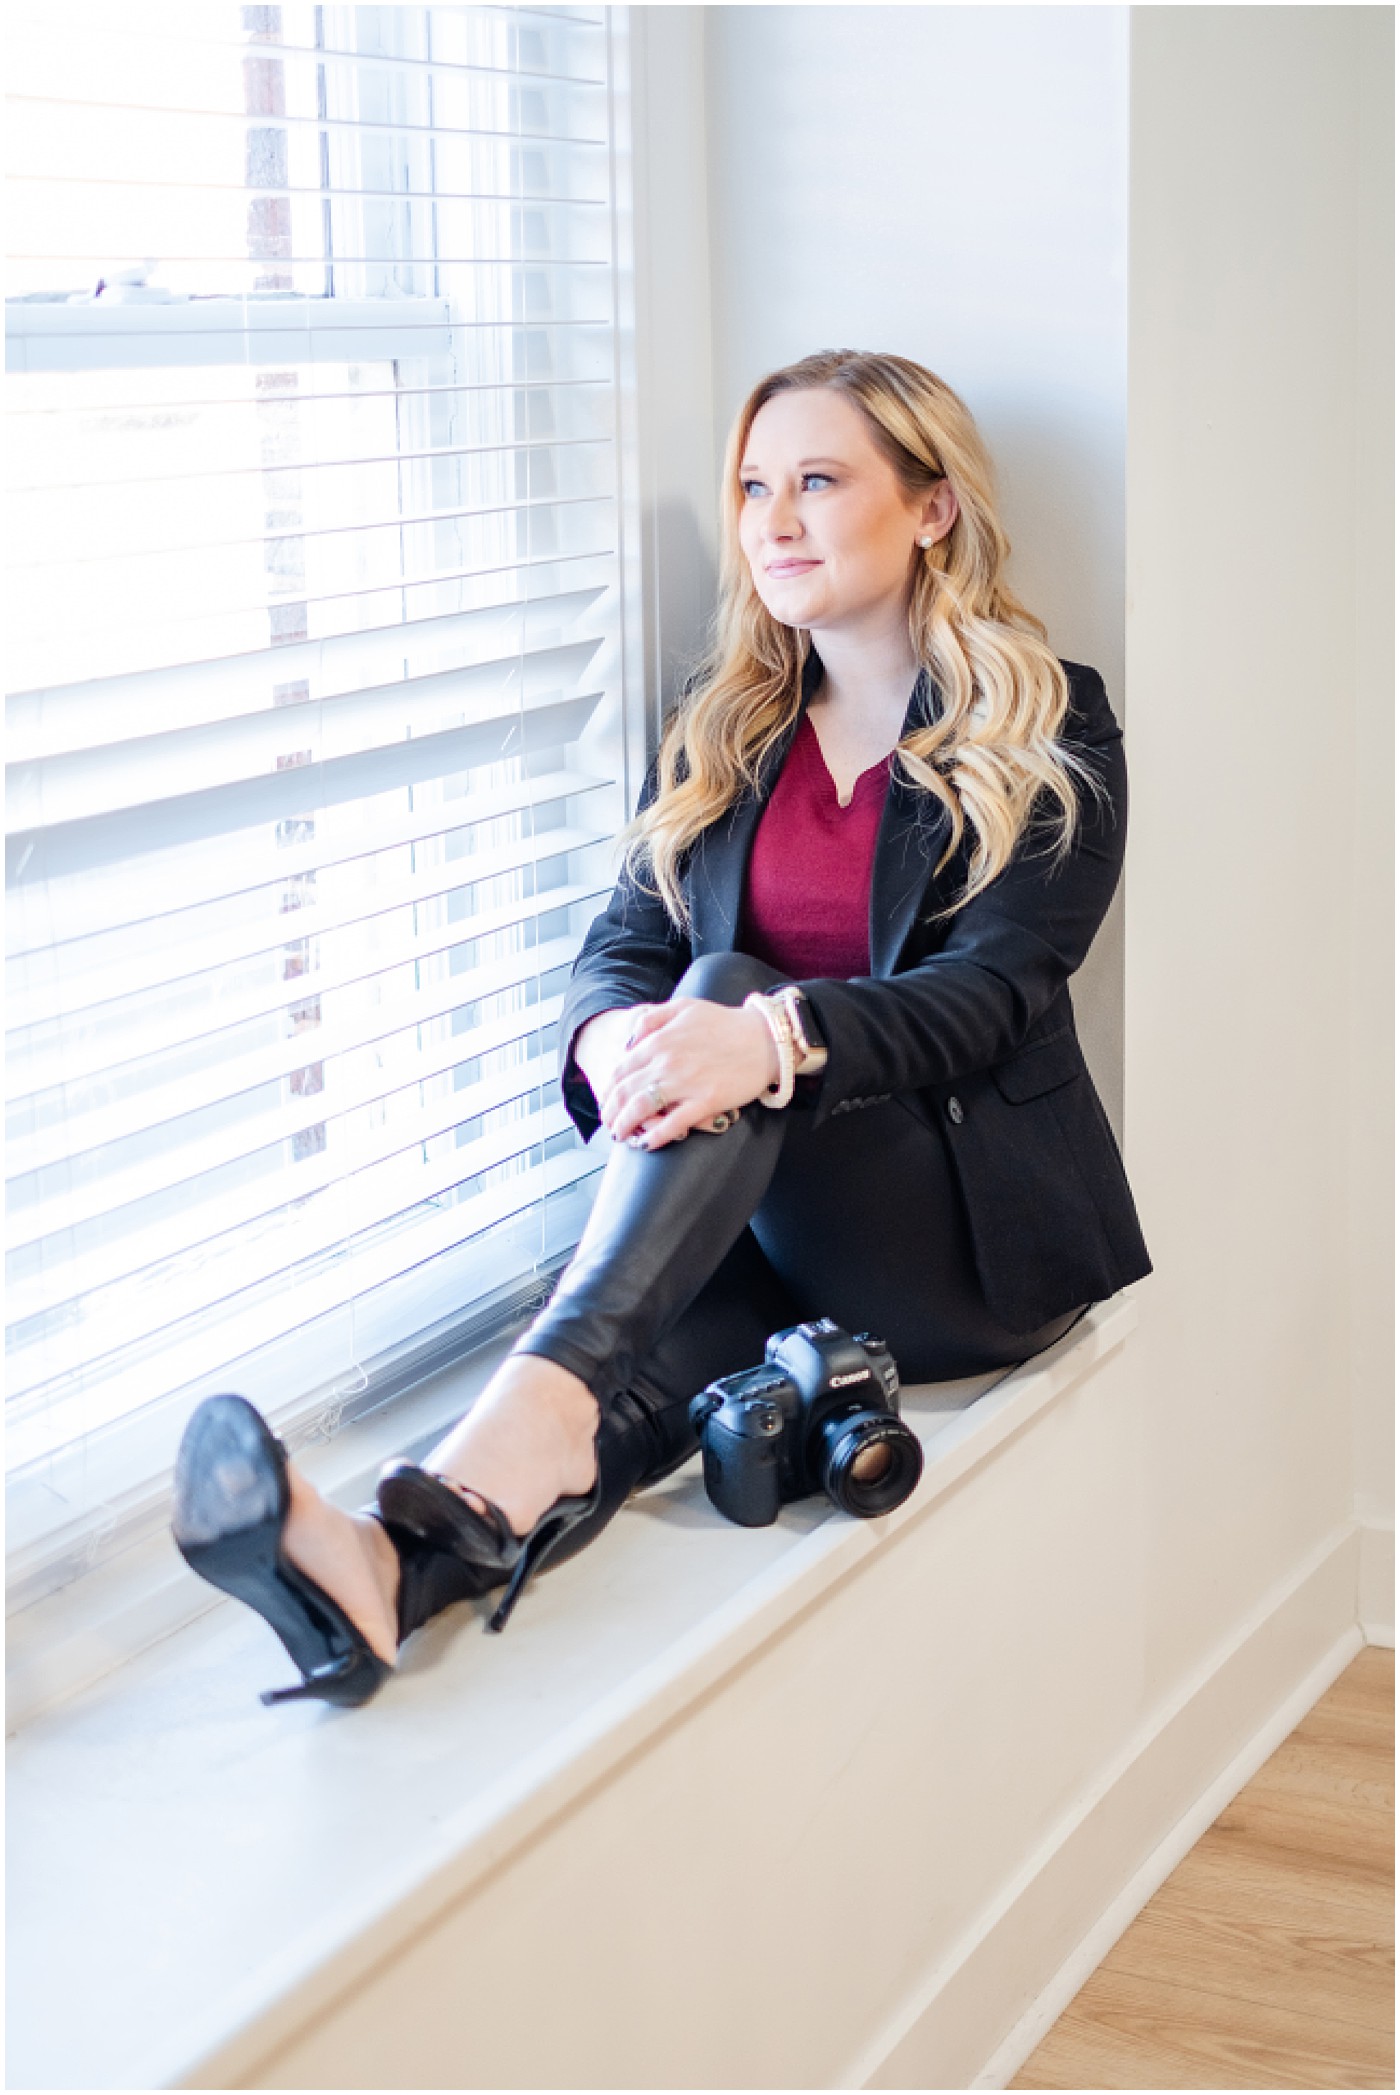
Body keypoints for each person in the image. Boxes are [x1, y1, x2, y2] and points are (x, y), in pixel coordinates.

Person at [171, 348, 1152, 1709]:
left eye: (819, 481)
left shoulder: (1051, 720)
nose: (775, 523)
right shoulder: (726, 728)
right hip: (755, 1228)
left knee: (730, 991)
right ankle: (387, 1571)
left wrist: (763, 1042)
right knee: (625, 1385)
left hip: (953, 1241)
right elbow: (621, 950)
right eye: (754, 488)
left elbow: (997, 993)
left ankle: (525, 1394)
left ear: (933, 508)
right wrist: (601, 1048)